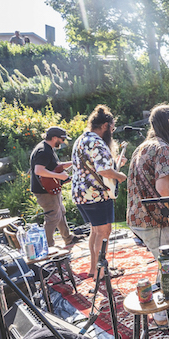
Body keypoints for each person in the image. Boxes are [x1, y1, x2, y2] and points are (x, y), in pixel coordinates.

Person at [126, 104, 169, 259]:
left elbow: (152, 185)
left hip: (139, 216)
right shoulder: (164, 148)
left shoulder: (144, 146)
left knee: (167, 266)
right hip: (153, 220)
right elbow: (162, 187)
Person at [71, 105, 127, 280]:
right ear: (104, 126)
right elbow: (104, 171)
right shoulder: (96, 142)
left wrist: (116, 165)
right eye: (111, 128)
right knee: (103, 233)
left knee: (95, 232)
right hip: (96, 195)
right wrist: (120, 175)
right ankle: (102, 272)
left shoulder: (81, 139)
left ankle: (94, 269)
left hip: (82, 194)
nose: (112, 131)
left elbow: (94, 167)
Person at [30, 126, 79, 249]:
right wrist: (59, 176)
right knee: (52, 217)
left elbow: (55, 166)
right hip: (44, 191)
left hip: (49, 189)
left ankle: (68, 238)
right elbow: (39, 170)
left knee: (60, 213)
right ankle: (48, 247)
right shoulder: (43, 151)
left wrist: (75, 162)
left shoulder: (47, 148)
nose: (63, 142)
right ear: (55, 138)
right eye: (62, 139)